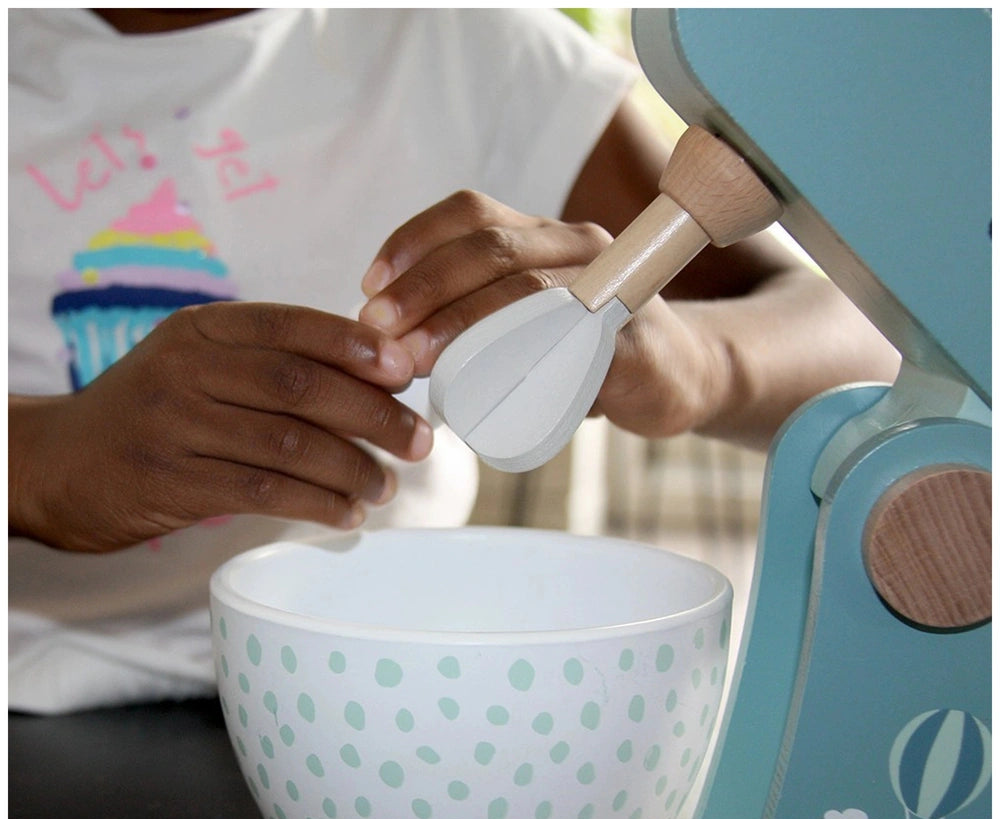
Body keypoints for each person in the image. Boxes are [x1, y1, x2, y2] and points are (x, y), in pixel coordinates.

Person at [8, 9, 899, 714]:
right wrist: (33, 463)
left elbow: (876, 343)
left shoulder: (477, 54)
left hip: (376, 712)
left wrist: (703, 366)